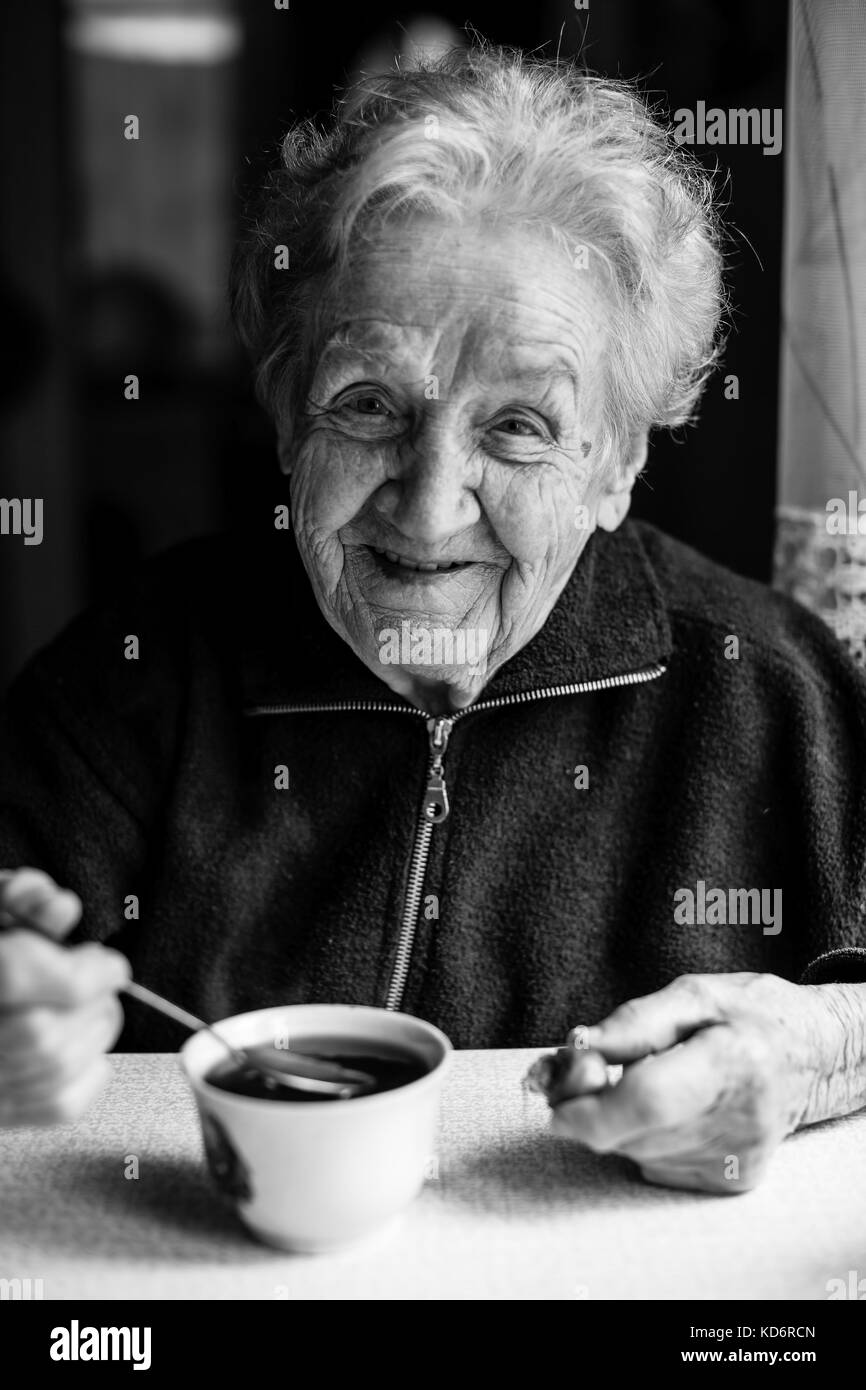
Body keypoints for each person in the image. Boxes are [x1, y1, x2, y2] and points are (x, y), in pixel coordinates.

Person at [1, 45, 864, 1195]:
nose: (428, 503)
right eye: (367, 405)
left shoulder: (769, 691)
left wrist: (811, 1052)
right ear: (283, 414)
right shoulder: (136, 668)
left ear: (614, 462)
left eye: (518, 426)